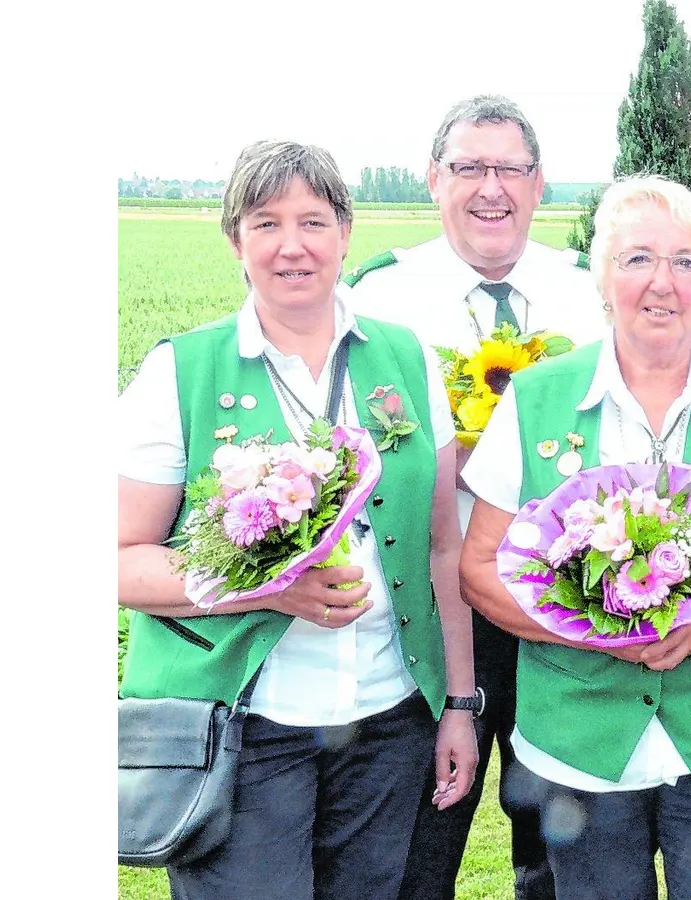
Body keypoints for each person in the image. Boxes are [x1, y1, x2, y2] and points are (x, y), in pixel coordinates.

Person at [116, 140, 477, 900]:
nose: (291, 246)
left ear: (345, 234)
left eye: (313, 221)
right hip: (242, 730)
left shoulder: (407, 362)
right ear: (234, 242)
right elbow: (118, 558)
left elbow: (442, 548)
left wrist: (458, 706)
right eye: (264, 223)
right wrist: (264, 587)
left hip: (386, 719)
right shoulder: (180, 372)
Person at [457, 174, 691, 899]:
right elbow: (480, 568)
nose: (663, 282)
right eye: (638, 258)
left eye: (689, 262)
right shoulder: (536, 396)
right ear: (602, 276)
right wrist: (594, 631)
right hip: (578, 737)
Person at [345, 94, 607, 900]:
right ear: (433, 179)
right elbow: (351, 444)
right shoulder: (378, 298)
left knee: (561, 839)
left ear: (538, 185)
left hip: (562, 599)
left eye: (510, 169)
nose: (490, 188)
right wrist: (464, 461)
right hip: (428, 608)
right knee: (422, 835)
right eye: (469, 167)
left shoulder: (590, 291)